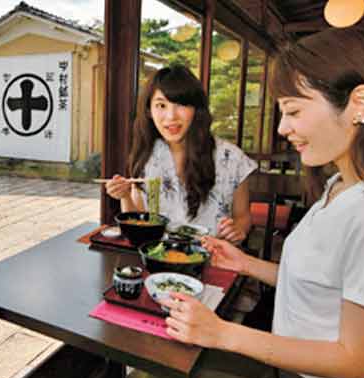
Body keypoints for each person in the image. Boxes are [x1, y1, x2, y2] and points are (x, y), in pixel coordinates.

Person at [125, 27, 364, 378]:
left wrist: (224, 333)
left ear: (359, 103)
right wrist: (245, 264)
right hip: (293, 372)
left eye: (293, 110)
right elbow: (325, 282)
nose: (282, 127)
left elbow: (357, 361)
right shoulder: (340, 186)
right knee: (158, 374)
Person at [105, 65, 257, 244]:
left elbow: (243, 217)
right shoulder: (147, 156)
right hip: (158, 255)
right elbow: (139, 220)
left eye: (181, 105)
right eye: (161, 105)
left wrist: (238, 229)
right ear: (149, 111)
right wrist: (125, 196)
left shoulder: (233, 159)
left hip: (214, 257)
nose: (170, 116)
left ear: (196, 109)